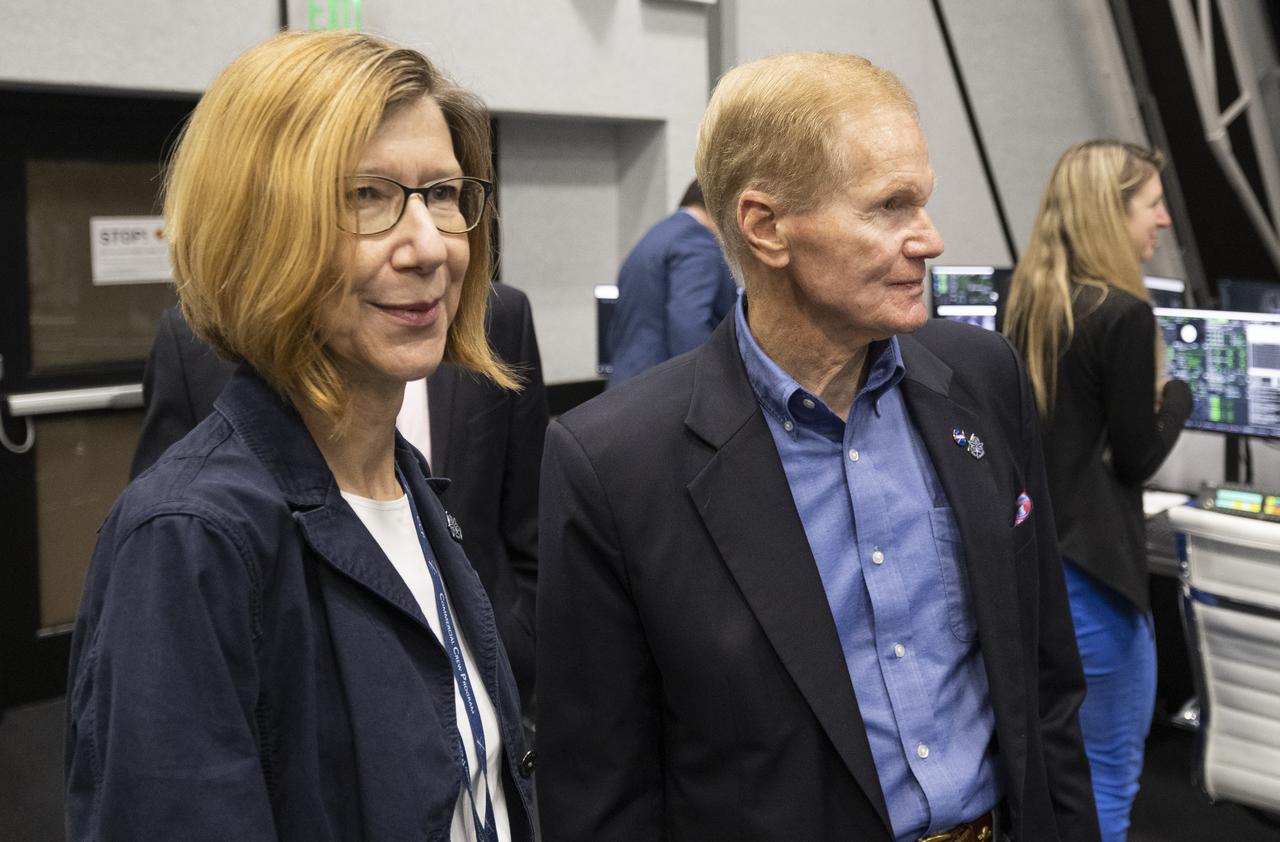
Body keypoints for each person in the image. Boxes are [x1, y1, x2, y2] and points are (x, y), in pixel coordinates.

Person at [537, 52, 1098, 842]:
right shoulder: (615, 463)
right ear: (766, 227)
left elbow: (1044, 680)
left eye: (924, 203)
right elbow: (601, 787)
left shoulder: (980, 379)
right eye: (889, 208)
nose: (930, 239)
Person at [65, 31, 536, 840]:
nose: (428, 245)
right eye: (366, 197)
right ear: (257, 229)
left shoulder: (408, 487)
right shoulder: (189, 540)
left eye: (444, 193)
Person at [129, 280, 549, 710]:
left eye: (442, 206)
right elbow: (170, 587)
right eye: (367, 207)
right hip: (306, 709)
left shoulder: (492, 315)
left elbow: (533, 522)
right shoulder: (194, 344)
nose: (423, 244)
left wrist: (512, 653)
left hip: (482, 689)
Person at [1004, 140, 1192, 842]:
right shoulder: (1121, 314)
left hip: (1033, 562)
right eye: (1152, 204)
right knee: (1110, 774)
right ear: (1114, 214)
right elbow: (1136, 459)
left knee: (1056, 772)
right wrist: (1178, 394)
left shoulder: (1031, 301)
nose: (1165, 221)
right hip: (1097, 575)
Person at [606, 179, 737, 387]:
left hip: (627, 382)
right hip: (661, 391)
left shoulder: (656, 235)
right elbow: (689, 322)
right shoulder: (697, 242)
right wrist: (711, 385)